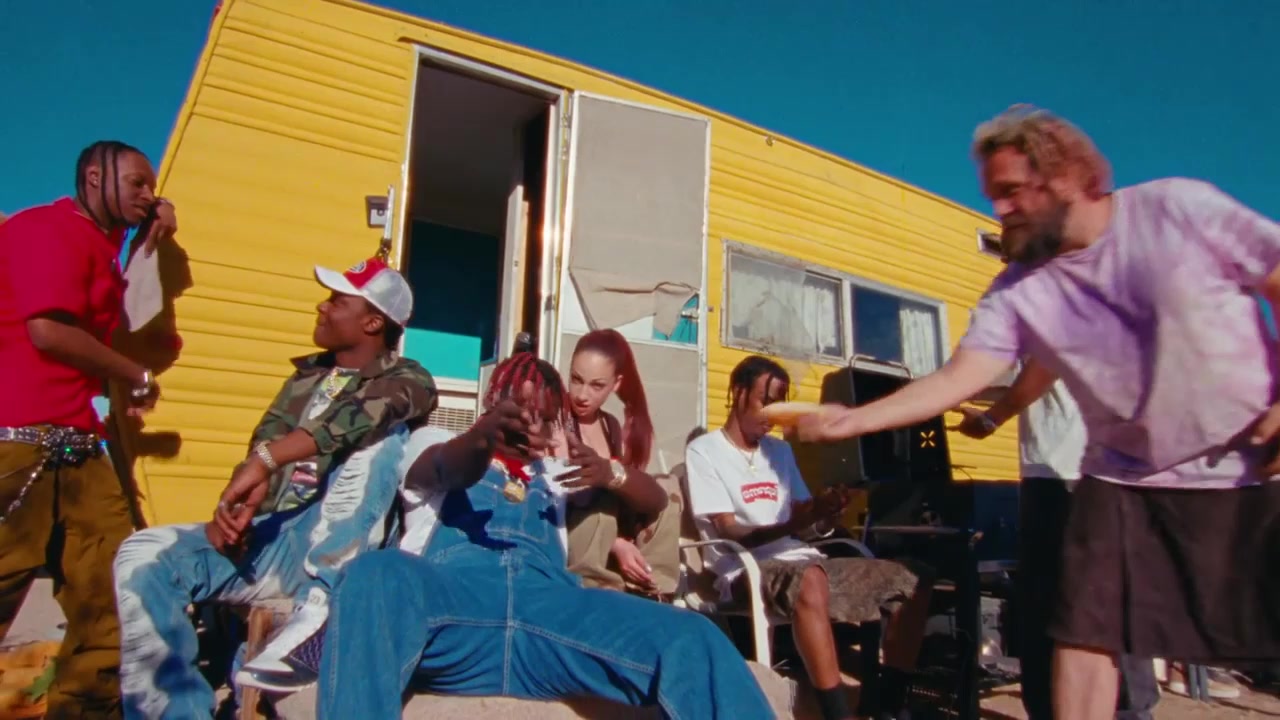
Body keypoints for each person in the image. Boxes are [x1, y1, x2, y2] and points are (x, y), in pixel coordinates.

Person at [797, 104, 1280, 720]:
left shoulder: (1176, 208)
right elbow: (959, 377)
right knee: (1083, 631)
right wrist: (850, 420)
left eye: (1012, 191)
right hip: (1120, 479)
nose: (1001, 209)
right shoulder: (1019, 289)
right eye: (993, 196)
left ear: (1069, 175)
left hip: (1247, 462)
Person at [311, 352, 776, 720]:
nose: (530, 423)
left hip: (549, 619)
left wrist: (610, 474)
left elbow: (654, 500)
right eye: (518, 410)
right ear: (492, 402)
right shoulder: (435, 441)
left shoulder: (554, 475)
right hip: (455, 612)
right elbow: (446, 467)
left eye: (544, 416)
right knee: (376, 574)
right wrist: (483, 436)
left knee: (693, 636)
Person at [112, 256, 438, 718]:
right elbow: (261, 453)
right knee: (143, 555)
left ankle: (324, 598)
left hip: (341, 549)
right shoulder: (305, 378)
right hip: (274, 540)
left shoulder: (408, 379)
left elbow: (366, 415)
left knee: (382, 439)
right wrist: (238, 511)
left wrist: (267, 460)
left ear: (372, 322)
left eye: (337, 300)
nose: (322, 307)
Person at [0, 140, 177, 719]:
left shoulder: (101, 248)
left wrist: (153, 229)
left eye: (152, 187)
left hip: (78, 443)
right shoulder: (46, 229)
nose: (148, 195)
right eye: (137, 184)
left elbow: (107, 321)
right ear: (95, 177)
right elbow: (49, 331)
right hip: (16, 440)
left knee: (109, 592)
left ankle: (86, 709)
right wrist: (134, 374)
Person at [686, 355, 933, 720]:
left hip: (803, 561)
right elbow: (728, 531)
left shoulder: (780, 451)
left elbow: (805, 524)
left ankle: (889, 704)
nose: (772, 414)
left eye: (779, 403)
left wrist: (824, 513)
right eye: (765, 401)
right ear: (738, 393)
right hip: (742, 570)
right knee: (811, 580)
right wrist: (793, 525)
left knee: (914, 578)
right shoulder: (705, 450)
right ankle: (837, 714)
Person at [955, 365, 1159, 719]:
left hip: (1068, 474)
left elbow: (1044, 365)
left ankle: (1117, 710)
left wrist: (991, 419)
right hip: (1082, 472)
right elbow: (1012, 381)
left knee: (1067, 608)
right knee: (1078, 606)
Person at [564, 329, 681, 598]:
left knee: (667, 501)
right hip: (574, 532)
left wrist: (623, 540)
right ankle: (598, 592)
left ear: (615, 384)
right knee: (596, 499)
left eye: (596, 386)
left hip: (610, 530)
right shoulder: (560, 419)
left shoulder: (610, 426)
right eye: (576, 379)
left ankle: (654, 587)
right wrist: (616, 544)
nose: (582, 395)